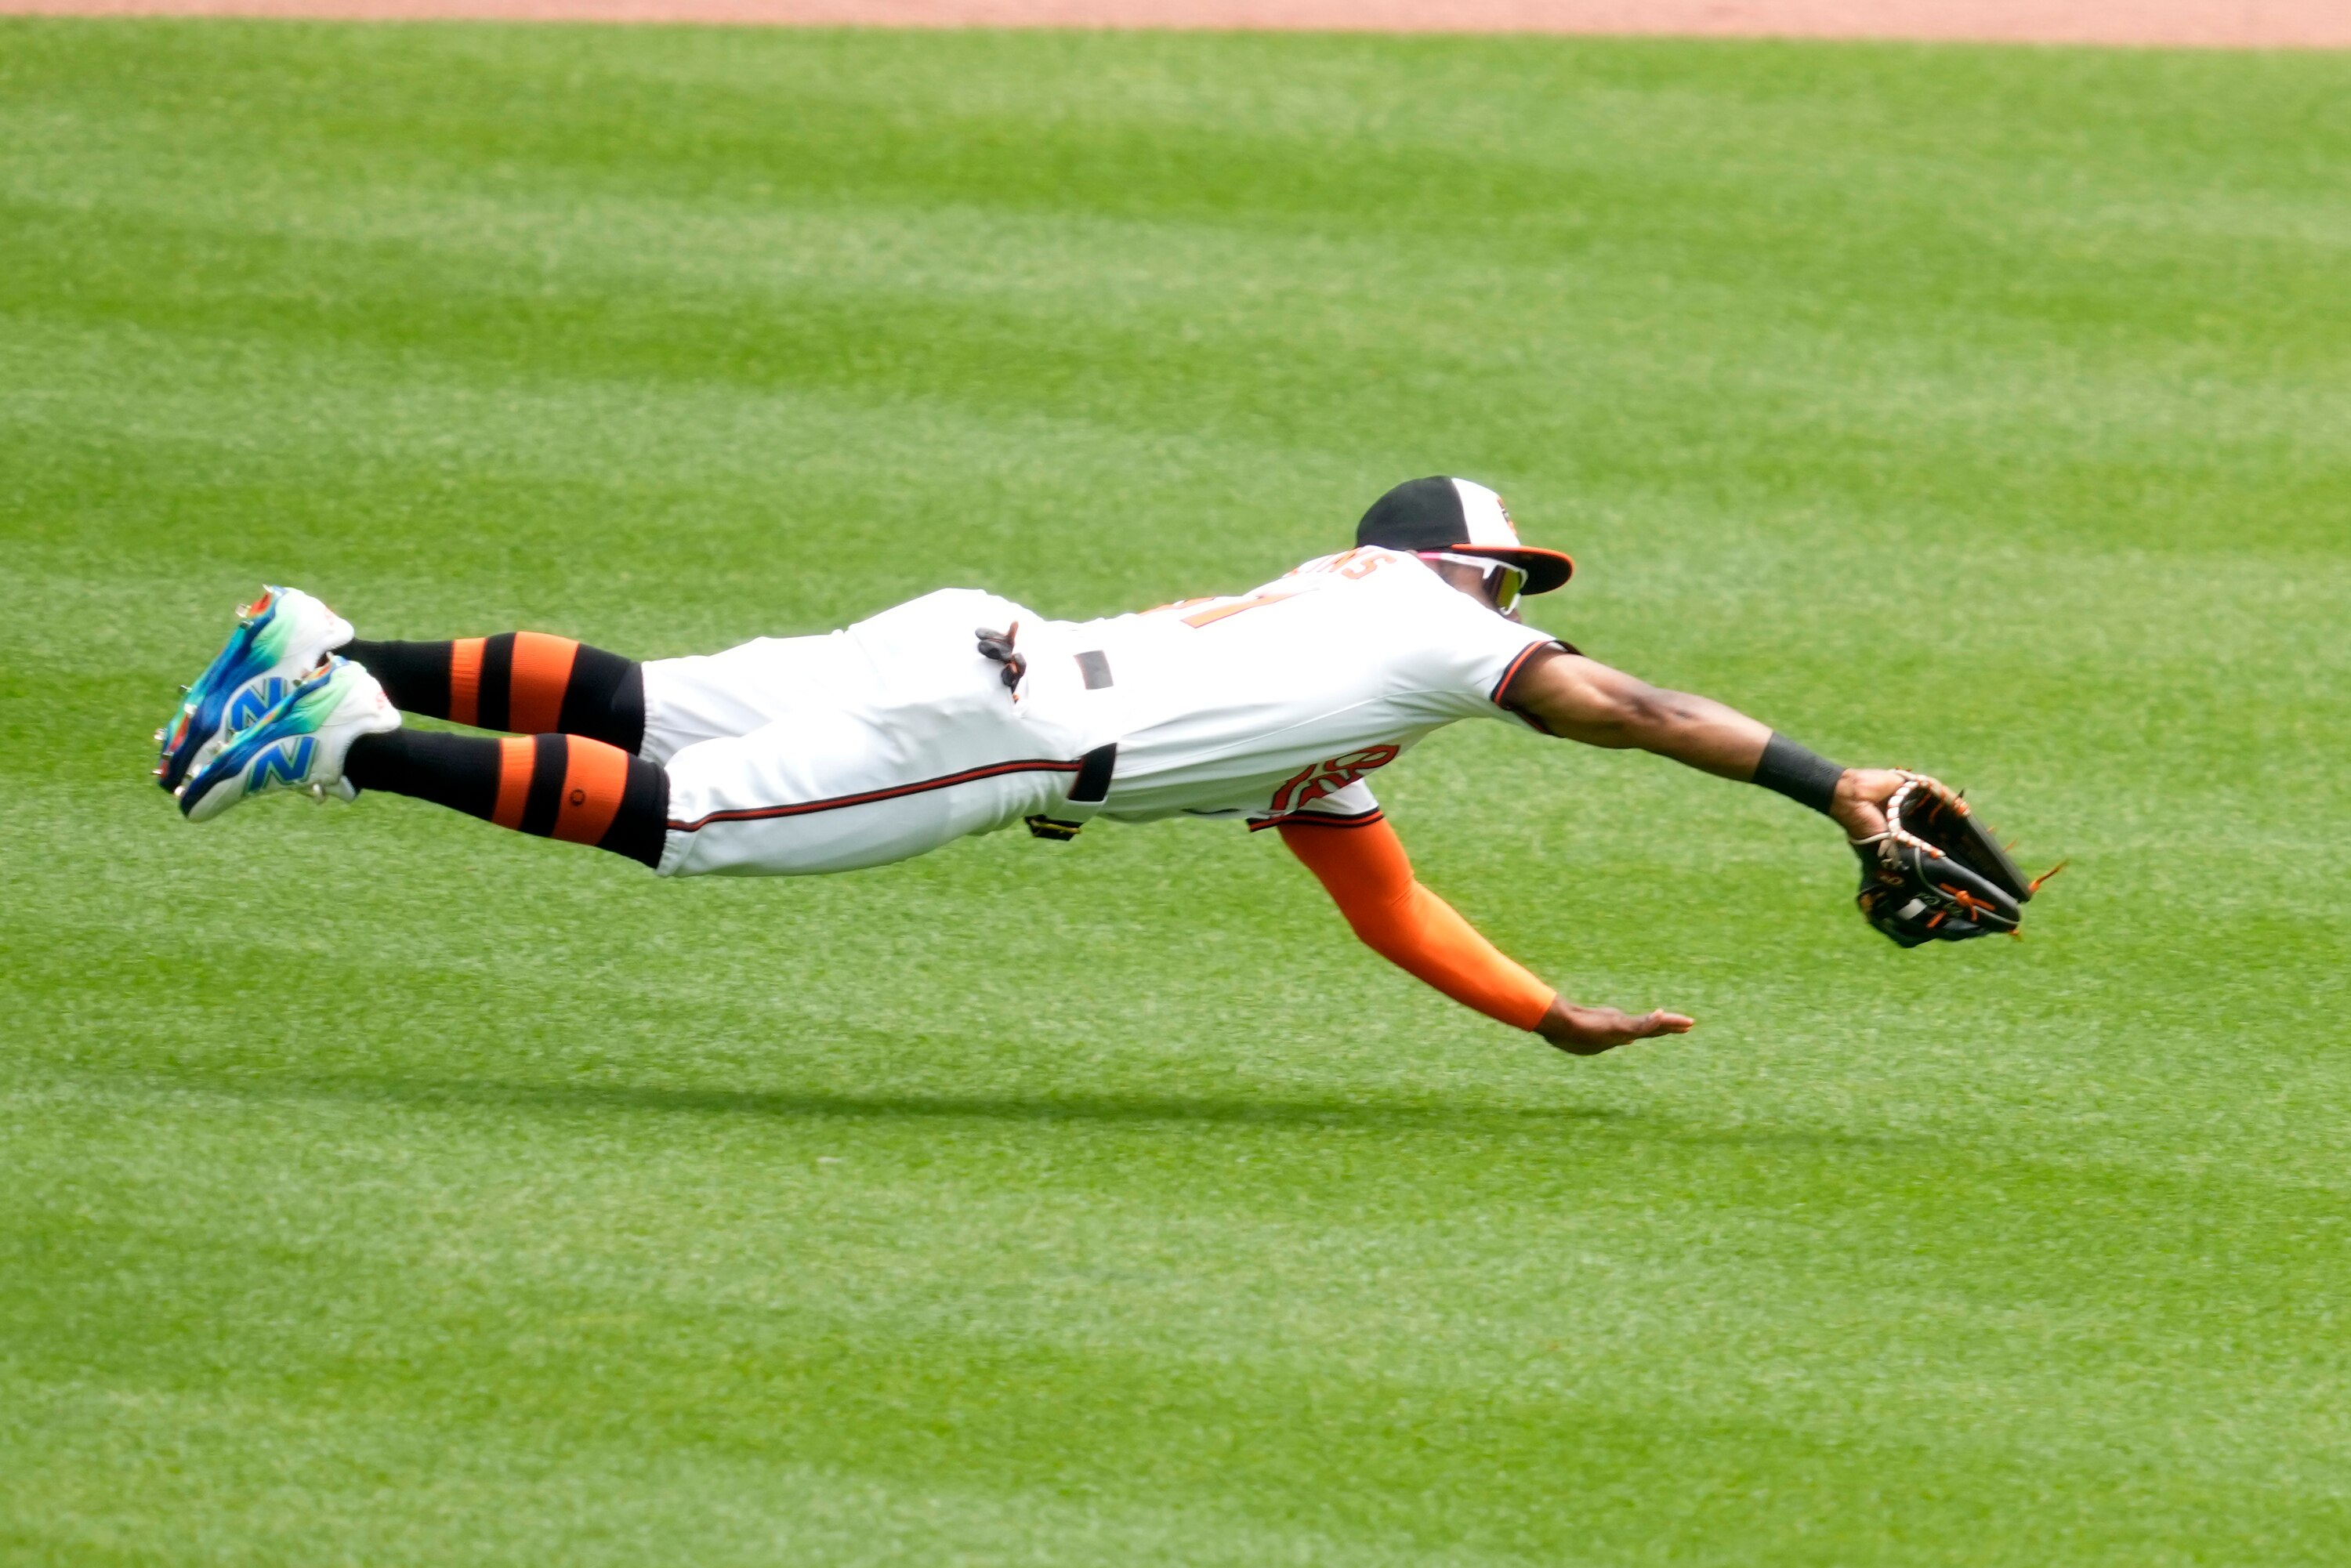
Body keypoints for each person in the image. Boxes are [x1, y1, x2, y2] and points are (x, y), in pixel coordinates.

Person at [157, 476, 1909, 1056]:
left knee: (645, 700)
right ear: (1469, 573)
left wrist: (1551, 1018)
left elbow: (1388, 902)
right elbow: (1642, 710)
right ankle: (354, 746)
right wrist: (1827, 781)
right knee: (695, 824)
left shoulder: (1332, 683)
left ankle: (328, 644)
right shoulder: (1430, 619)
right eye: (1517, 577)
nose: (1522, 601)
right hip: (1007, 729)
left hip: (975, 639)